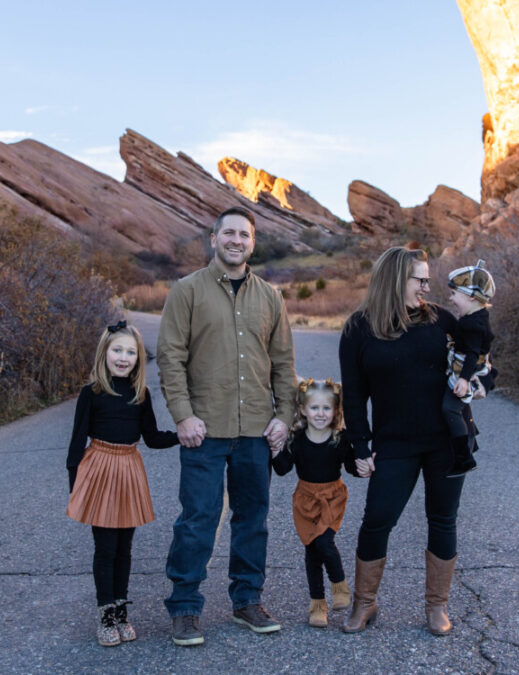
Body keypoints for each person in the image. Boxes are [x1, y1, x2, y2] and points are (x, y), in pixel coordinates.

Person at [157, 206, 298, 646]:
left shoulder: (270, 298)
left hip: (256, 430)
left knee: (252, 519)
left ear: (252, 243)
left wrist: (284, 418)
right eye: (229, 233)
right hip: (204, 429)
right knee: (198, 519)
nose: (237, 241)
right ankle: (184, 607)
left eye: (245, 235)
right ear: (214, 238)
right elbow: (170, 357)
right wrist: (183, 415)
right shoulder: (187, 291)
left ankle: (247, 601)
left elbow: (283, 364)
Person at [338, 245, 469, 636]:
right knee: (377, 521)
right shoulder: (358, 328)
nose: (427, 287)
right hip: (393, 442)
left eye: (428, 279)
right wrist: (359, 445)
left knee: (442, 520)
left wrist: (479, 377)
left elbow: (478, 360)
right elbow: (354, 395)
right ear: (396, 279)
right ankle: (365, 603)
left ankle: (436, 607)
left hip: (447, 440)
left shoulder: (443, 322)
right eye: (421, 279)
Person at [65, 319, 179, 646]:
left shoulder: (139, 394)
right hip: (99, 468)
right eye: (117, 350)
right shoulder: (92, 393)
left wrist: (182, 437)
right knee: (106, 548)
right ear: (105, 352)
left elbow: (153, 438)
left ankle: (121, 611)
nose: (123, 357)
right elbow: (76, 445)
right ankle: (105, 614)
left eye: (131, 352)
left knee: (125, 548)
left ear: (138, 358)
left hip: (129, 466)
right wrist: (77, 486)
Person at [270, 378, 356, 628]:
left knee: (324, 541)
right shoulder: (297, 438)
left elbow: (351, 467)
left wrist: (365, 462)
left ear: (335, 411)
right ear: (304, 410)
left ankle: (339, 586)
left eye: (326, 408)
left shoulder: (340, 438)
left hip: (332, 497)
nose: (320, 414)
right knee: (312, 550)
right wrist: (276, 450)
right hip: (305, 499)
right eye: (315, 408)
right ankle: (317, 606)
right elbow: (283, 469)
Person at [442, 258, 497, 478]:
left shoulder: (472, 324)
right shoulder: (475, 316)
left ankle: (464, 458)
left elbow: (473, 354)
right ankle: (469, 438)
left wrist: (464, 380)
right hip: (464, 368)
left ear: (472, 296)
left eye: (455, 294)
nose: (451, 299)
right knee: (458, 408)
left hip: (466, 372)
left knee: (450, 408)